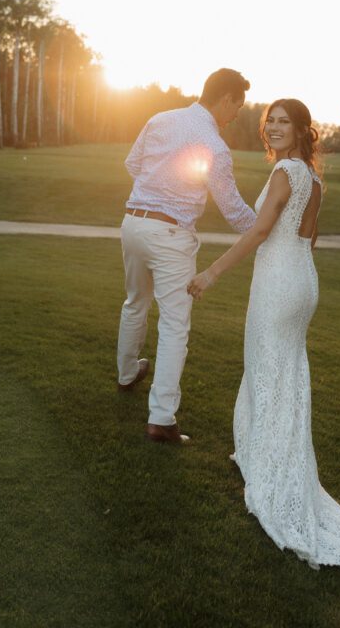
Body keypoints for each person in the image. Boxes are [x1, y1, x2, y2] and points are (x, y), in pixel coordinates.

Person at [188, 98, 340, 582]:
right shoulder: (313, 179)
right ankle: (268, 454)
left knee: (268, 368)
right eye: (269, 120)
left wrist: (210, 272)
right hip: (303, 281)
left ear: (300, 130)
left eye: (283, 122)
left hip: (277, 285)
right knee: (284, 371)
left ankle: (274, 472)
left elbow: (258, 233)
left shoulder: (284, 174)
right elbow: (308, 237)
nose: (272, 128)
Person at [116, 68, 256, 444]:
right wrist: (267, 230)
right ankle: (161, 419)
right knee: (175, 325)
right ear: (225, 98)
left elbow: (133, 165)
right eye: (237, 107)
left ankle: (127, 374)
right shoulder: (215, 145)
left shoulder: (160, 118)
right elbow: (234, 210)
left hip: (133, 223)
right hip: (170, 235)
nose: (235, 115)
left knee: (135, 302)